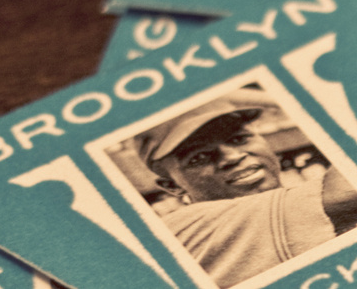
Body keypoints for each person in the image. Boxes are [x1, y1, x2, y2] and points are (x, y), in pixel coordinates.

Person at [134, 96, 357, 288]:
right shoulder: (181, 229)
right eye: (199, 157)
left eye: (239, 139)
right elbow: (349, 190)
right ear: (172, 186)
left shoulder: (298, 197)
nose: (232, 157)